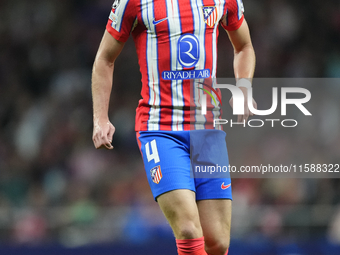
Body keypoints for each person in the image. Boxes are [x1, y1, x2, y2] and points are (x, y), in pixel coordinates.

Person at [91, 0, 256, 254]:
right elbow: (105, 58)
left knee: (217, 241)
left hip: (207, 130)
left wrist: (244, 86)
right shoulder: (134, 3)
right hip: (160, 128)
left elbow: (243, 45)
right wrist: (100, 117)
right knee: (189, 229)